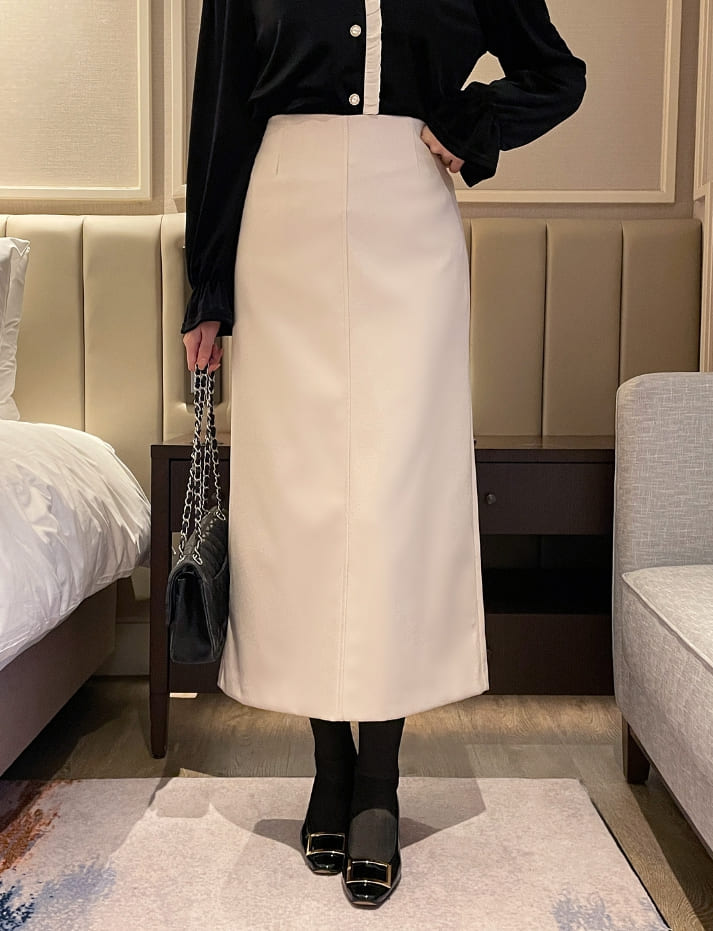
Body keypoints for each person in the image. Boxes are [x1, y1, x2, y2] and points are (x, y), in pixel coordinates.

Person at [181, 0, 586, 908]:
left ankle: (378, 783)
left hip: (409, 230)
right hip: (282, 230)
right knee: (303, 505)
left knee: (392, 505)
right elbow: (220, 109)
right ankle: (328, 766)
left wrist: (472, 119)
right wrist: (206, 286)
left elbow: (558, 74)